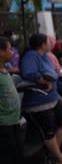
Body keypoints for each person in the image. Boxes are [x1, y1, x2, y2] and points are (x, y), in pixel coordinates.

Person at [20, 34, 62, 164]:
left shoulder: (44, 56)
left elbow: (52, 72)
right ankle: (59, 158)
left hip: (53, 98)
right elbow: (28, 73)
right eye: (47, 41)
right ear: (42, 44)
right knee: (49, 133)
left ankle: (52, 156)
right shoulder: (31, 56)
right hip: (40, 102)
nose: (50, 43)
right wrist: (43, 80)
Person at [0, 36, 23, 164]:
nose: (12, 52)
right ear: (1, 52)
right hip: (4, 125)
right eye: (9, 49)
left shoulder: (5, 70)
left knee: (17, 154)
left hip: (14, 121)